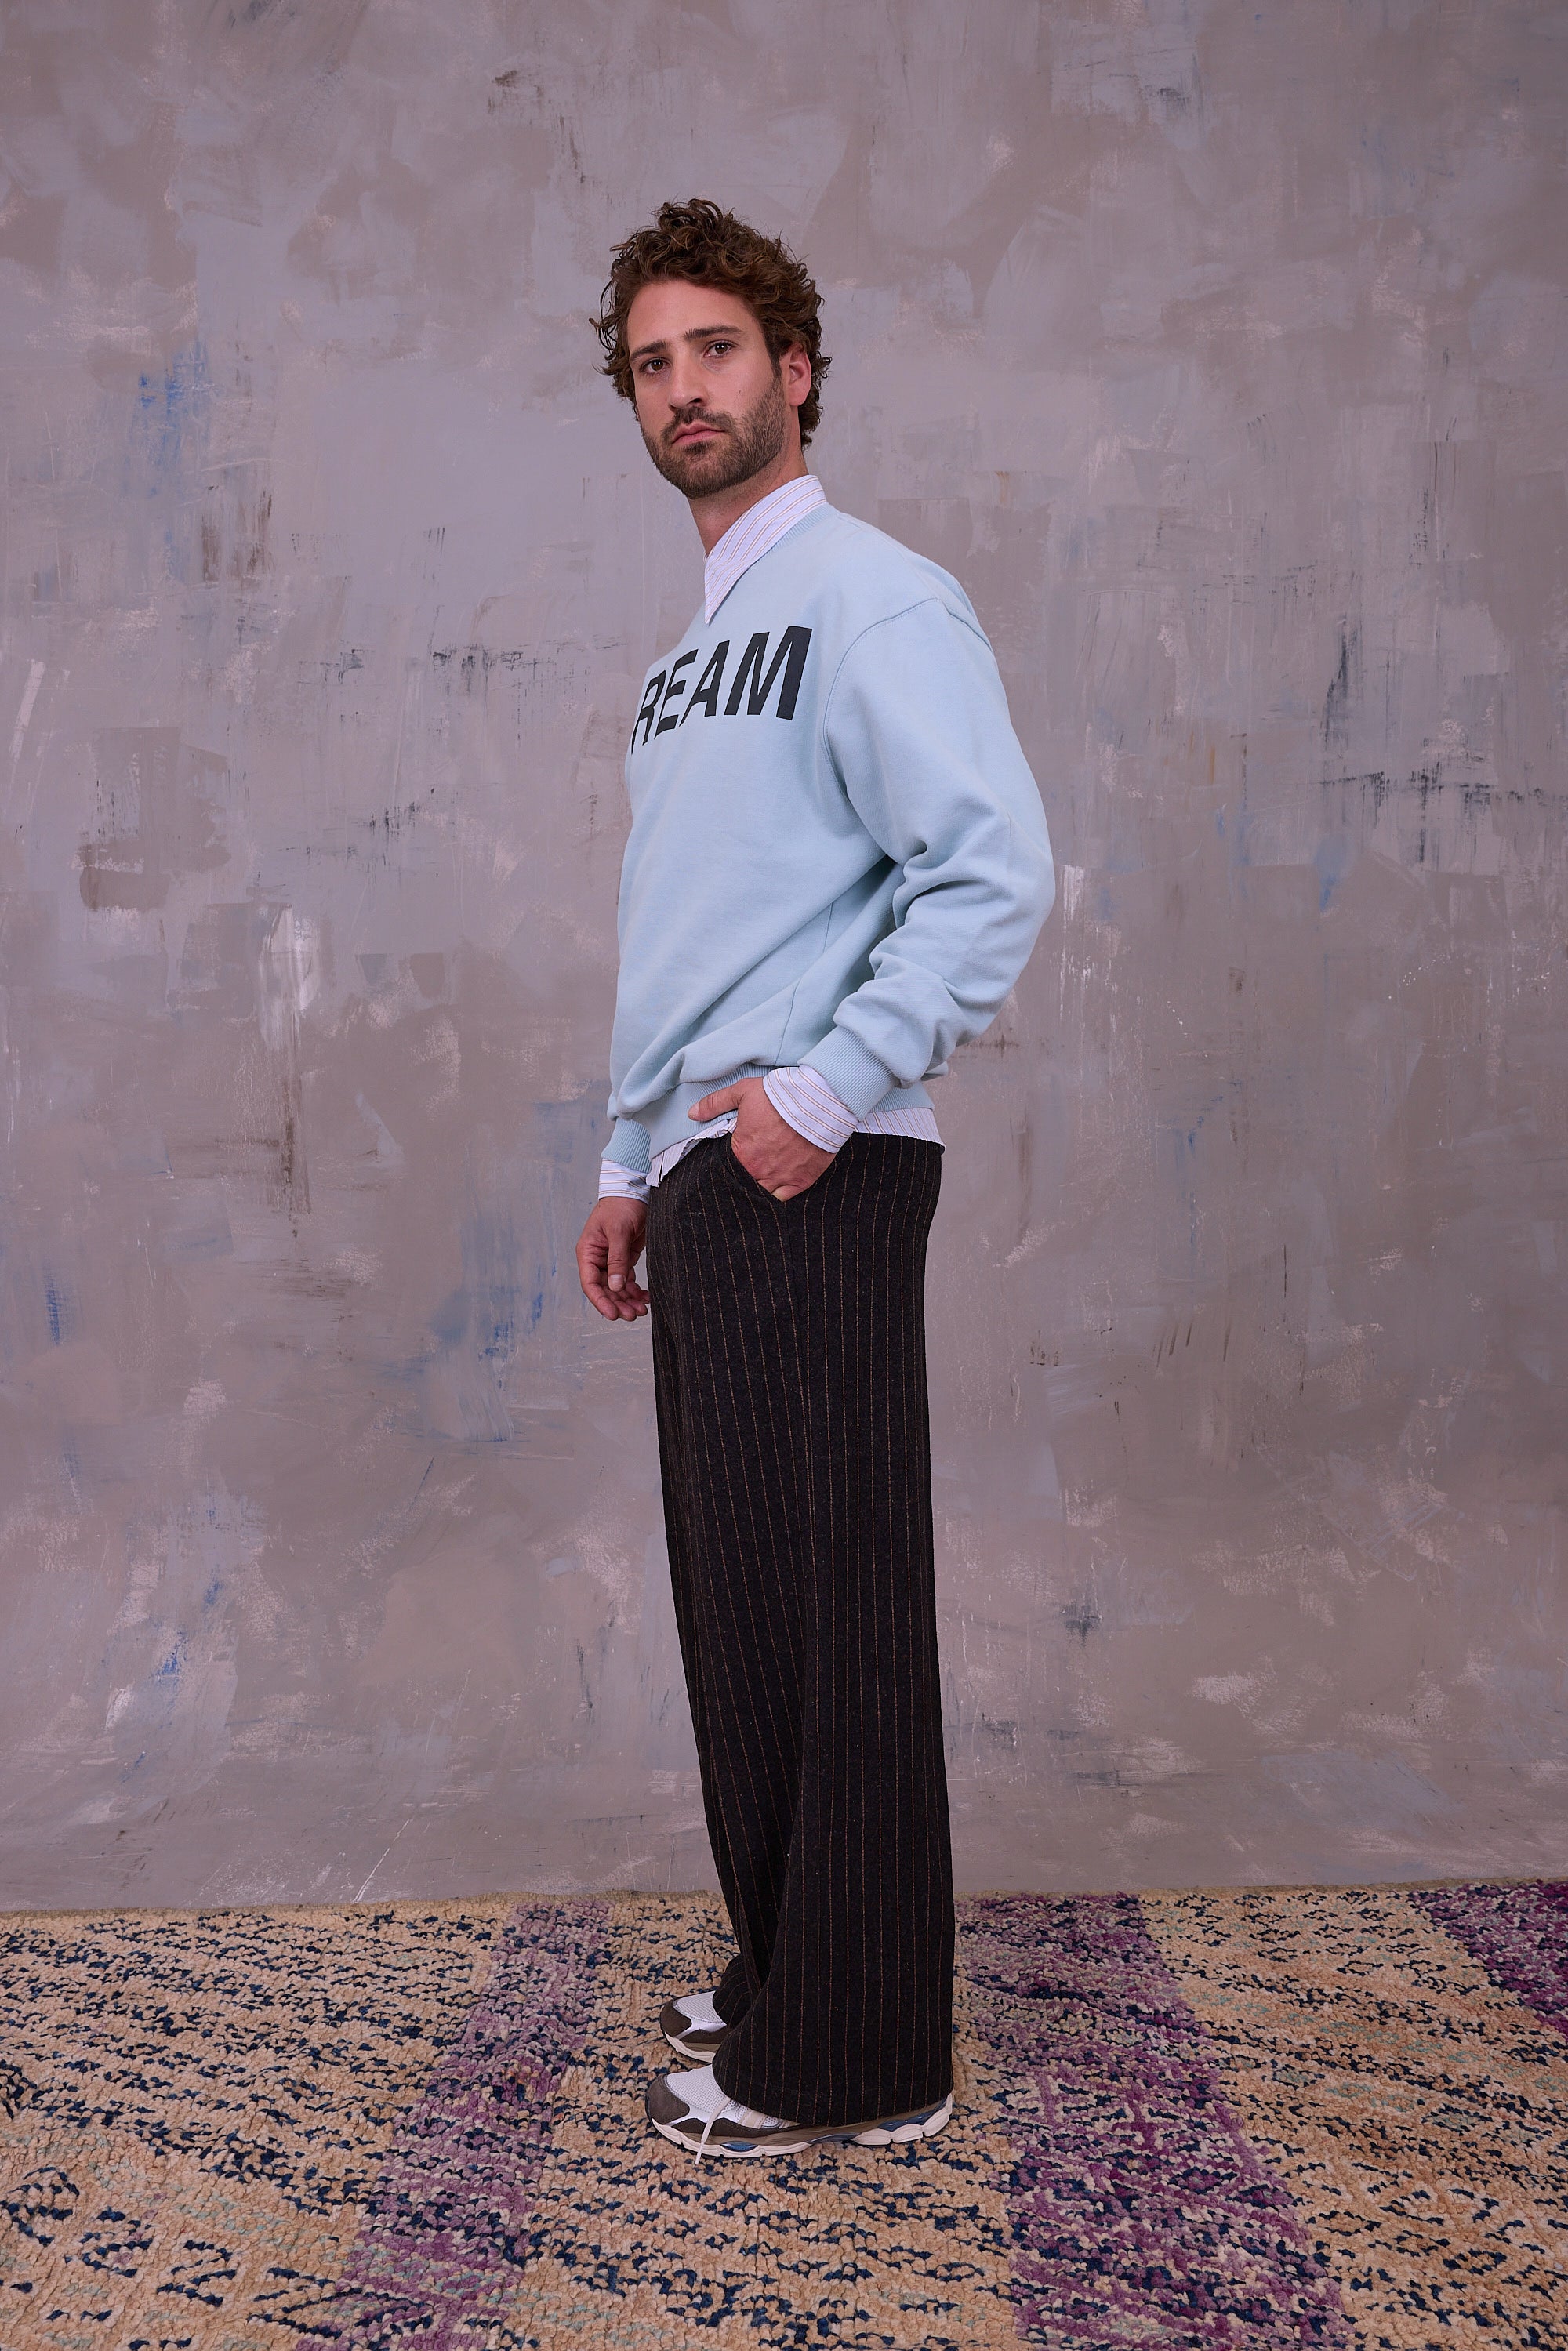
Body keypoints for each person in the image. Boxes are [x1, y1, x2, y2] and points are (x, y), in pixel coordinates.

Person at [574, 198, 1054, 2159]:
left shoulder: (872, 595)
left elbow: (990, 871)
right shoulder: (689, 660)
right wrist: (627, 1155)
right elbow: (687, 929)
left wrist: (829, 1088)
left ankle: (860, 2061)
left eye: (715, 350)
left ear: (792, 369)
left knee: (831, 1612)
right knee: (747, 1605)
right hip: (707, 1165)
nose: (683, 388)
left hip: (814, 1163)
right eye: (650, 365)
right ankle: (793, 1966)